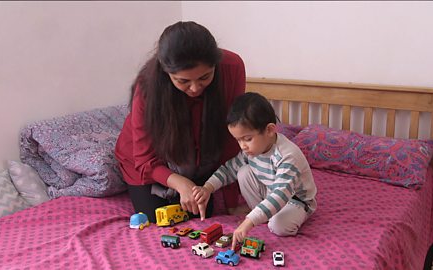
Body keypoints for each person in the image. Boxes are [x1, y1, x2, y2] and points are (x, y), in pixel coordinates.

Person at [115, 21, 247, 223]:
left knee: (198, 213)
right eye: (183, 81)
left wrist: (231, 202)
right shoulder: (147, 87)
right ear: (166, 73)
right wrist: (181, 184)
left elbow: (231, 139)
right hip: (149, 160)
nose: (195, 88)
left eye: (204, 77)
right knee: (160, 220)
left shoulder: (232, 67)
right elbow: (144, 159)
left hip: (198, 160)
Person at [192, 92, 318, 250]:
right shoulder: (250, 151)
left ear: (270, 130)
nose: (242, 146)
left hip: (295, 200)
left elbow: (280, 195)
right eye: (238, 140)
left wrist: (249, 221)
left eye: (247, 139)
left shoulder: (288, 156)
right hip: (271, 191)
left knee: (278, 226)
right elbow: (228, 169)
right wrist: (207, 188)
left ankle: (265, 215)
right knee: (243, 172)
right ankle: (261, 213)